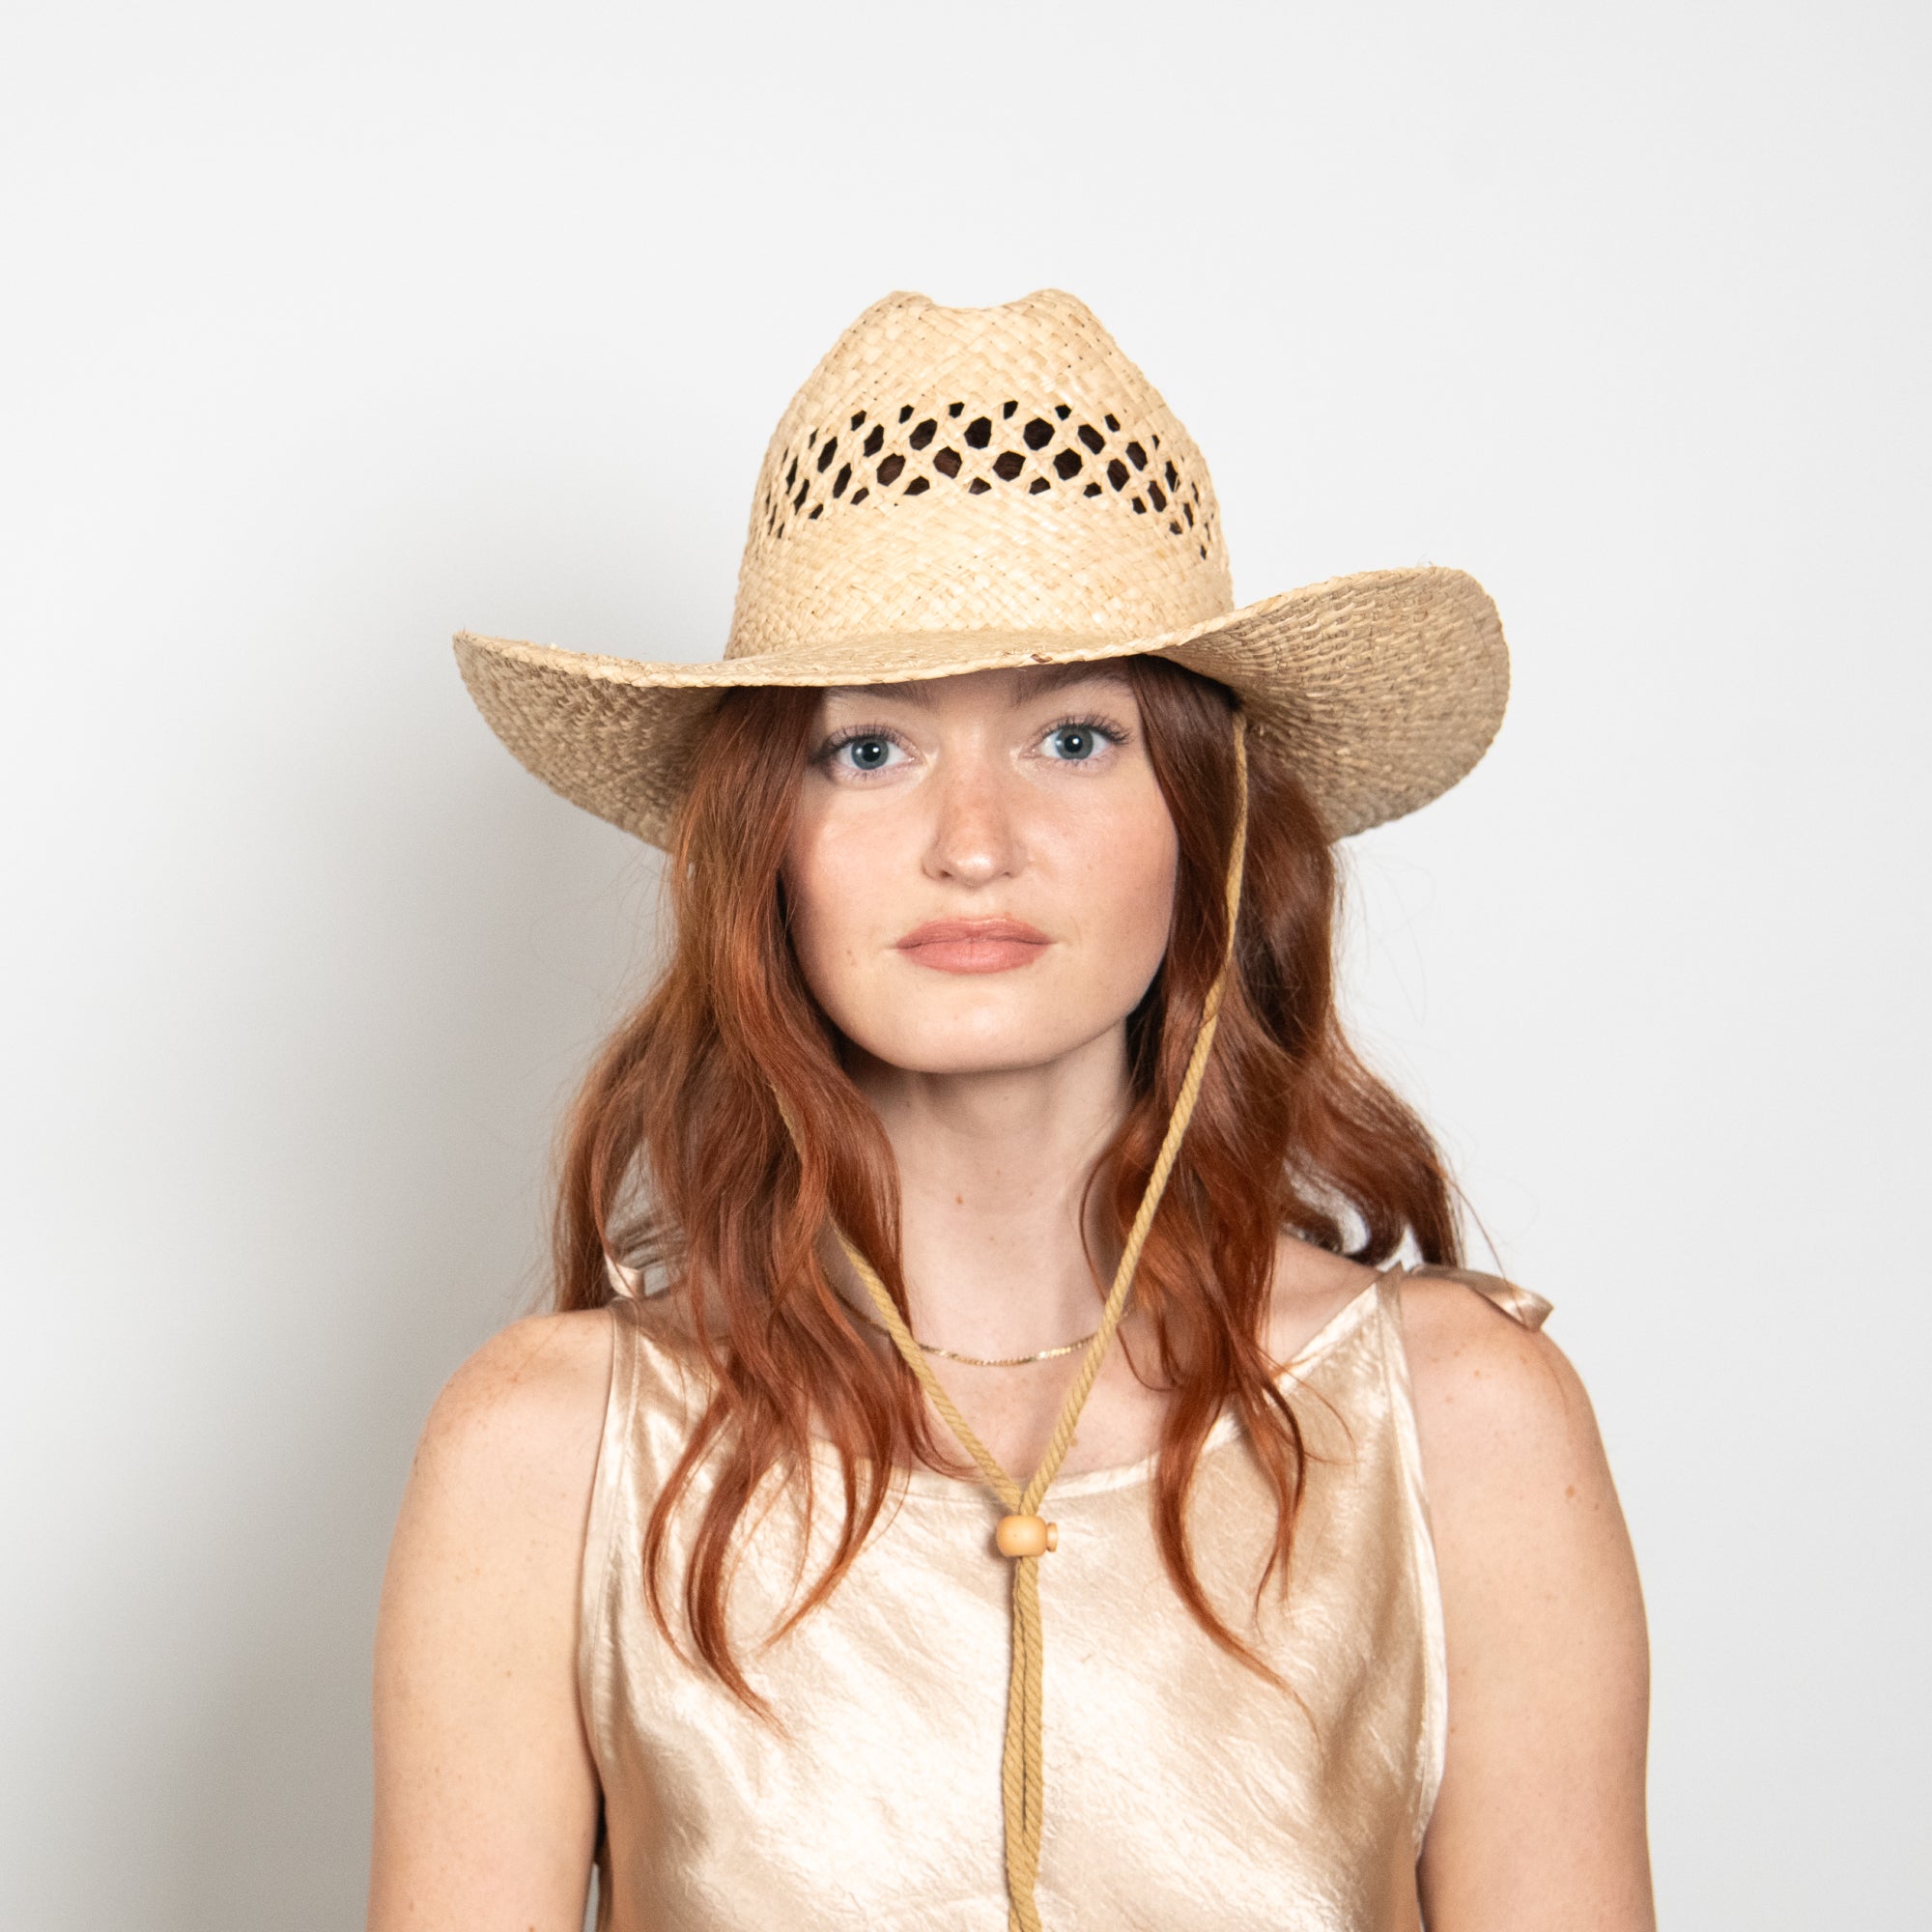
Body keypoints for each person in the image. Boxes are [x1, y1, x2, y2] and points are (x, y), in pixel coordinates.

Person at [368, 291, 1653, 1932]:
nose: (975, 841)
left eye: (1072, 736)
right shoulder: (544, 1452)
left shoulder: (1466, 1425)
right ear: (763, 840)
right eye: (869, 749)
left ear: (1205, 816)